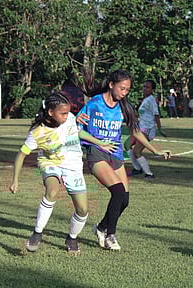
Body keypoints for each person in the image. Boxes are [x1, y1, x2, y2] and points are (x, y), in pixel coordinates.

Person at [9, 92, 116, 254]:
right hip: (50, 163)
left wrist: (101, 143)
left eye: (68, 113)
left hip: (73, 166)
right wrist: (15, 180)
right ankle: (37, 233)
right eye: (63, 113)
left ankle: (71, 238)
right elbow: (21, 154)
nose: (67, 116)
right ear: (51, 112)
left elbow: (79, 133)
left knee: (82, 210)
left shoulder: (70, 118)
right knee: (52, 190)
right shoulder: (37, 132)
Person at [77, 69, 171, 251]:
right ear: (111, 85)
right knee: (118, 191)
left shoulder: (124, 106)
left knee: (124, 200)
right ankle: (110, 236)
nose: (124, 93)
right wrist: (96, 141)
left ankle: (101, 227)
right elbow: (78, 127)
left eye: (127, 90)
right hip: (96, 153)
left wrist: (156, 151)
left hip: (116, 155)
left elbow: (136, 130)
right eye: (122, 88)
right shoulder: (95, 103)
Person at [129, 80, 163, 179]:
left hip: (147, 129)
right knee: (128, 145)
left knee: (137, 151)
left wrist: (160, 128)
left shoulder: (151, 100)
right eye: (144, 86)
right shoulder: (145, 99)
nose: (144, 88)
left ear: (152, 90)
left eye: (147, 87)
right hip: (140, 128)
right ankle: (137, 168)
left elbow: (156, 115)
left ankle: (149, 174)